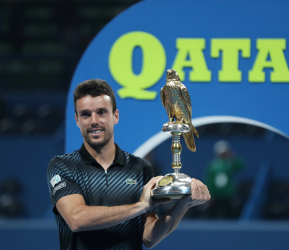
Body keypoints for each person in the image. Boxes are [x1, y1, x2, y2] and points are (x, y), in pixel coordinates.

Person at [46, 79, 210, 250]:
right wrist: (140, 206)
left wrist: (182, 206)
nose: (94, 121)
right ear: (77, 120)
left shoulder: (140, 168)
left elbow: (148, 237)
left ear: (115, 116)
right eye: (86, 114)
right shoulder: (63, 166)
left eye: (102, 112)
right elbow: (77, 219)